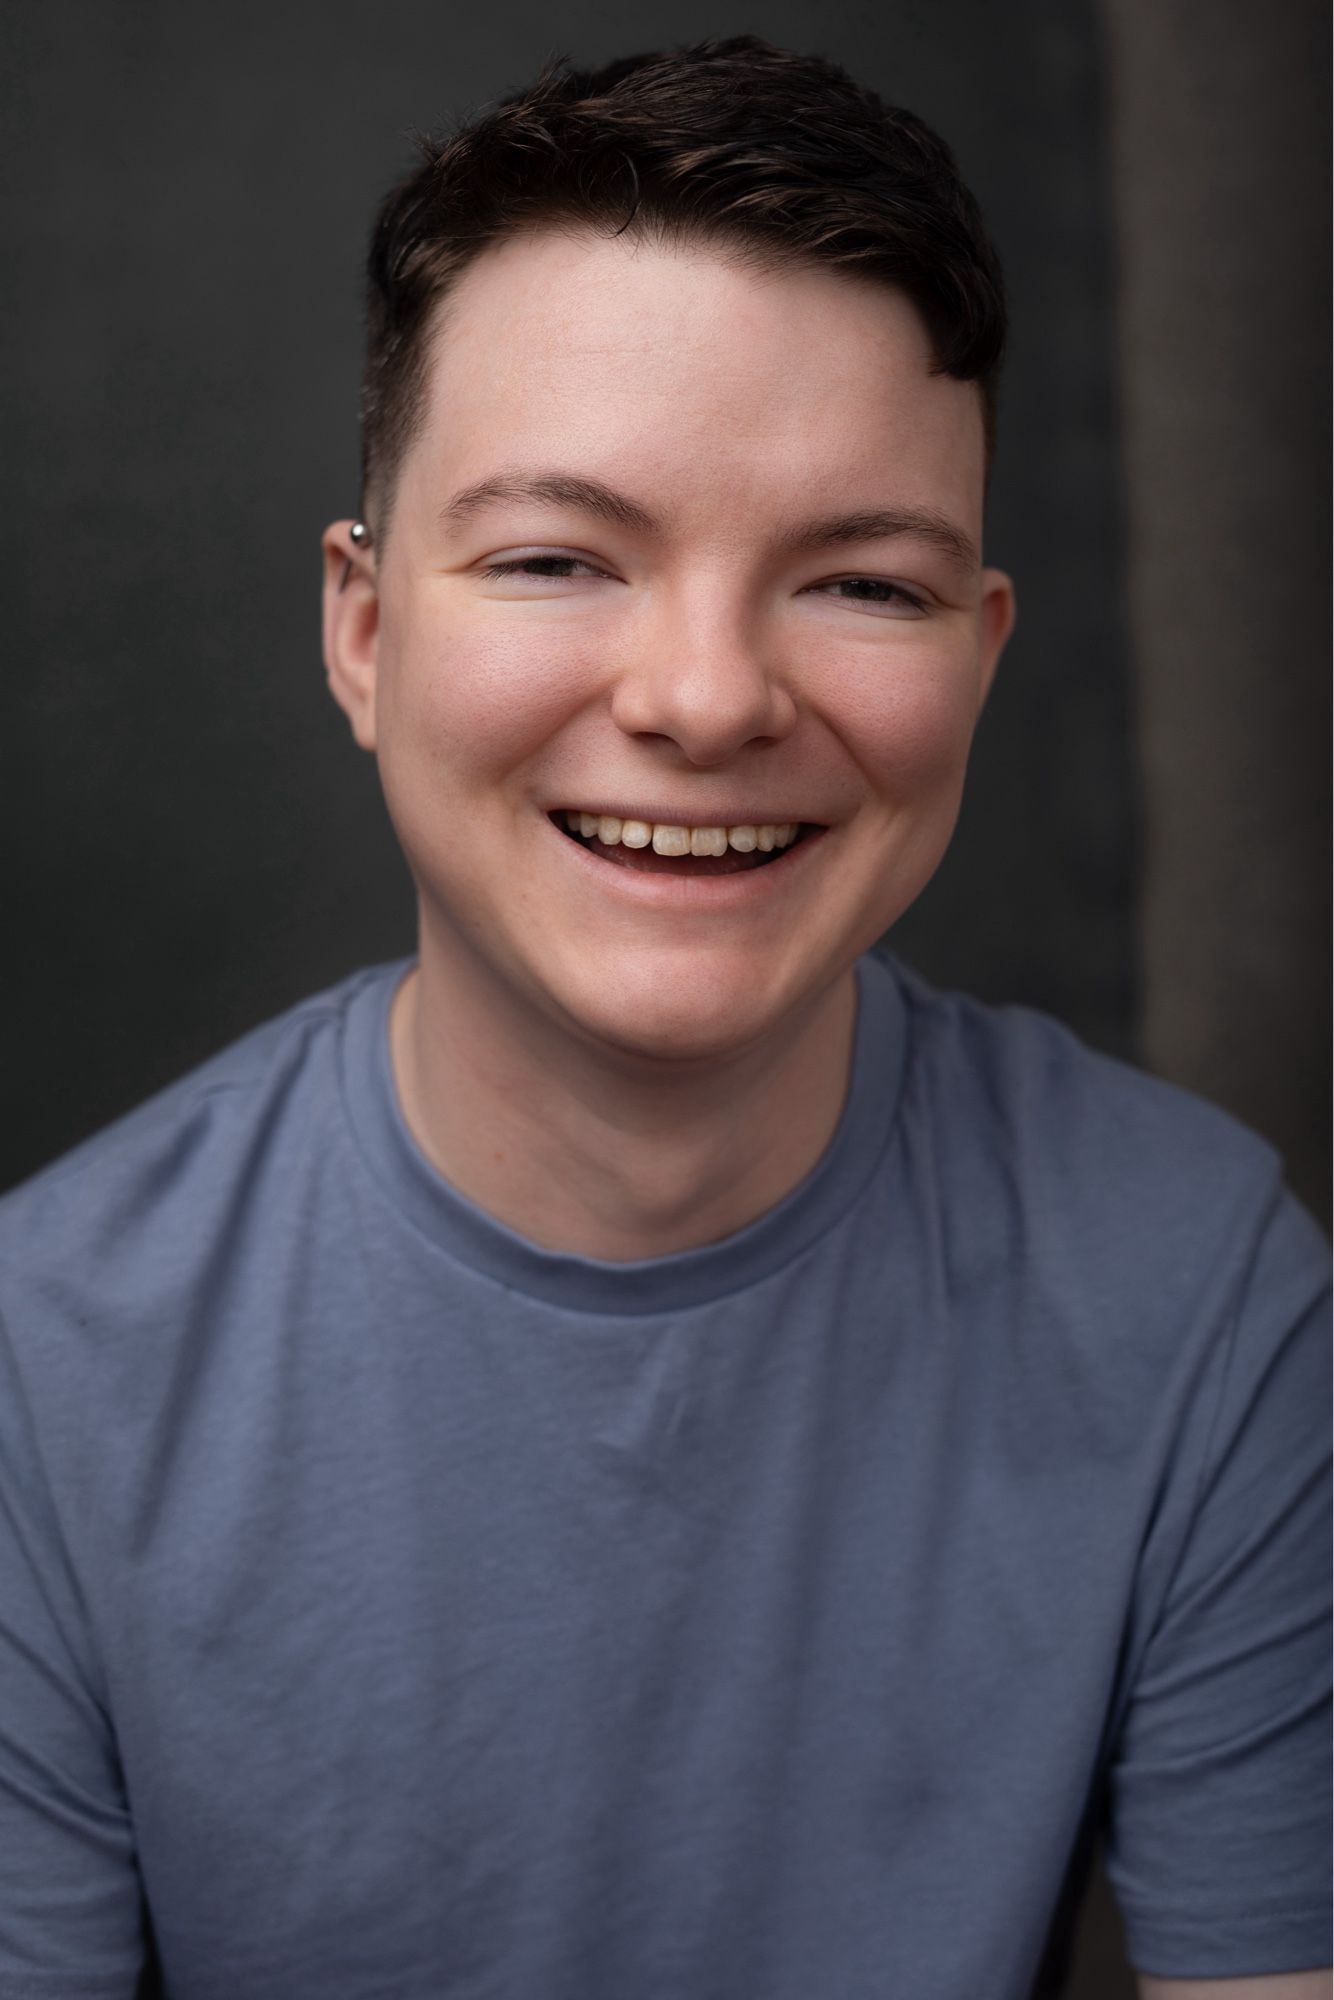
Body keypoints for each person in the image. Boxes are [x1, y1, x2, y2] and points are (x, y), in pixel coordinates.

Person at [0, 35, 1327, 2000]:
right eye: (557, 557)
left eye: (858, 584)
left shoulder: (1205, 1292)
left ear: (976, 660)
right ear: (364, 633)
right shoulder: (40, 1370)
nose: (707, 698)